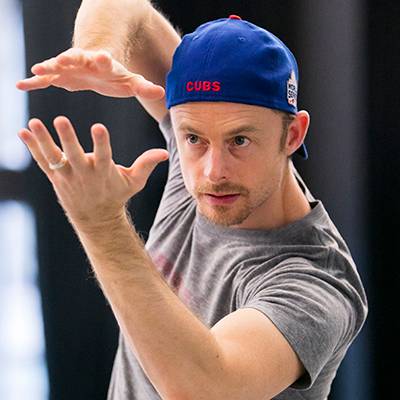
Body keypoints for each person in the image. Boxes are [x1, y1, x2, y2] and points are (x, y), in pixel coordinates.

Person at [17, 1, 368, 399]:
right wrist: (99, 51)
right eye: (193, 139)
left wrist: (100, 223)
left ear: (292, 135)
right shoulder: (199, 163)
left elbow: (204, 389)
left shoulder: (315, 283)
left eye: (239, 140)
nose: (212, 172)